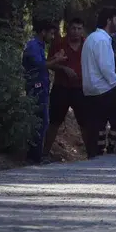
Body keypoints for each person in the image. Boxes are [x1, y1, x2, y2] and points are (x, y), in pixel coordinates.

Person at [81, 7, 116, 157]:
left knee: (98, 120)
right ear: (108, 21)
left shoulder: (91, 38)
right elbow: (105, 68)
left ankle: (97, 149)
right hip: (102, 89)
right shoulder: (102, 40)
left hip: (90, 89)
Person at [42, 17, 87, 161]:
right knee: (54, 121)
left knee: (85, 122)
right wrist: (63, 68)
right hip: (61, 87)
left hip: (81, 88)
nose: (76, 32)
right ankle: (44, 153)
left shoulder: (87, 44)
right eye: (73, 28)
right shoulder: (59, 44)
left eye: (79, 29)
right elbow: (49, 63)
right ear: (68, 29)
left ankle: (91, 154)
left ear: (83, 31)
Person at [22, 18, 59, 164]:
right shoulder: (33, 46)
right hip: (35, 87)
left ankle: (36, 155)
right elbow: (40, 65)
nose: (53, 37)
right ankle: (34, 157)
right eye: (51, 33)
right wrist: (56, 60)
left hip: (41, 87)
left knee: (42, 121)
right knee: (40, 121)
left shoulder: (40, 45)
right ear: (43, 32)